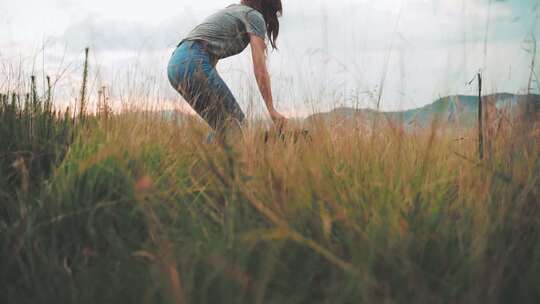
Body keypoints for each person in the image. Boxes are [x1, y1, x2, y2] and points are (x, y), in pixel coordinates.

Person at [167, 0, 286, 141]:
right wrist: (271, 109)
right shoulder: (255, 17)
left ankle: (200, 160)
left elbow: (211, 53)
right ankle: (209, 159)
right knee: (238, 127)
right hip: (192, 61)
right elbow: (260, 69)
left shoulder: (235, 10)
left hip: (176, 63)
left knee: (225, 128)